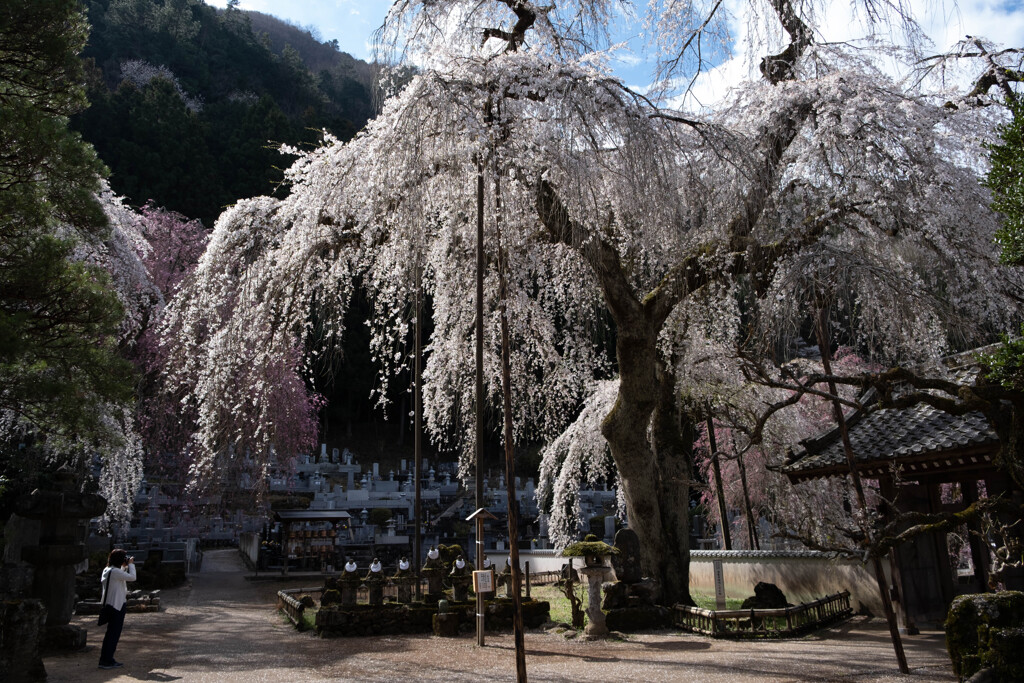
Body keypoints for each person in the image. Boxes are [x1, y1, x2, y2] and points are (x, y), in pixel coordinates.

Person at [98, 549, 136, 669]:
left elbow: (121, 576)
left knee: (111, 634)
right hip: (117, 606)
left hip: (110, 604)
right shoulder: (115, 572)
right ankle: (107, 660)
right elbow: (132, 577)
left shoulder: (107, 570)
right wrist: (130, 564)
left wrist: (124, 566)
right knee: (113, 634)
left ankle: (106, 658)